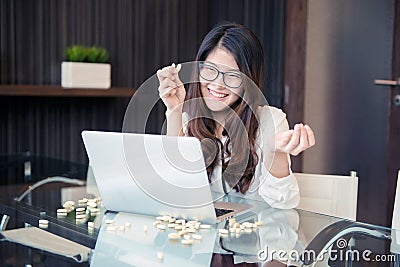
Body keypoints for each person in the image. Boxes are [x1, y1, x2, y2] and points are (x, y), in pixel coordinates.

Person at [156, 22, 315, 209]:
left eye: (232, 75)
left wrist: (275, 152)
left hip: (254, 234)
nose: (218, 84)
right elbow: (171, 189)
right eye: (209, 70)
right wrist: (174, 110)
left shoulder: (270, 120)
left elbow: (284, 203)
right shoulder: (188, 121)